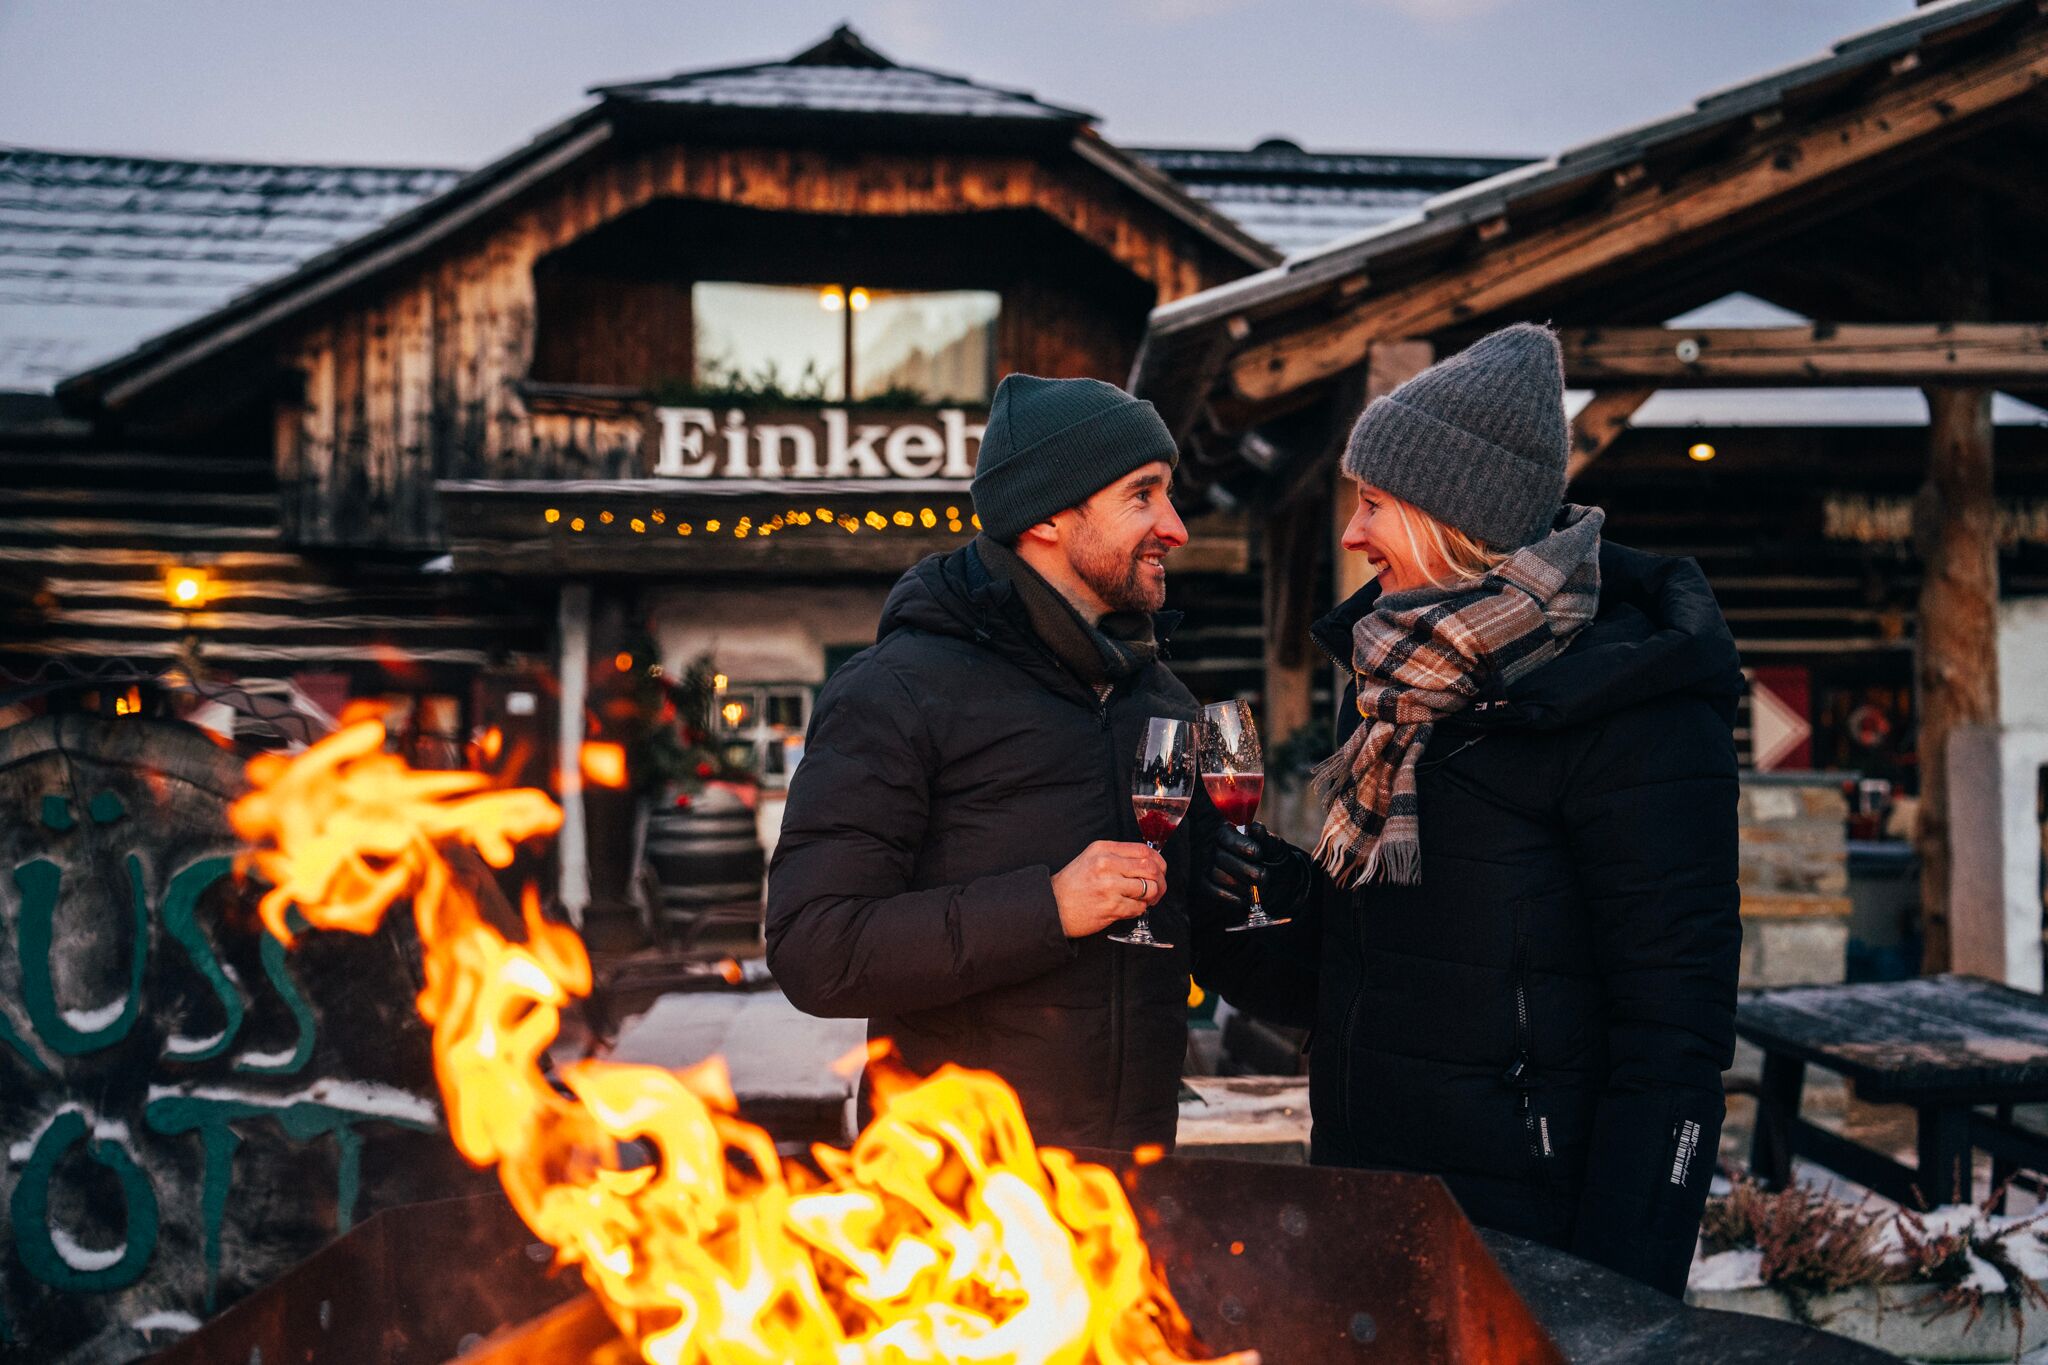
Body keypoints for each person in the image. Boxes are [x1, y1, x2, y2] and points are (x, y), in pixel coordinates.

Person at [1196, 323, 1744, 1297]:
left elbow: (1672, 1038)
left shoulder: (1635, 711)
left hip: (1530, 1232)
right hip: (1368, 1197)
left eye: (1370, 506)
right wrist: (1229, 881)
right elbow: (1345, 973)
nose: (1351, 535)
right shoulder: (1389, 688)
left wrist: (1615, 1296)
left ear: (1456, 517)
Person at [766, 373, 1218, 1150]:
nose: (1175, 526)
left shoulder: (1162, 700)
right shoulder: (896, 691)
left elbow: (1210, 918)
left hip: (1130, 1197)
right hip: (960, 1209)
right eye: (1143, 494)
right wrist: (1048, 907)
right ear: (1047, 512)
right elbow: (815, 947)